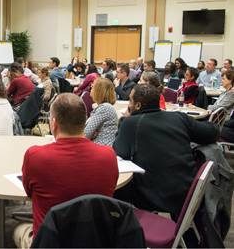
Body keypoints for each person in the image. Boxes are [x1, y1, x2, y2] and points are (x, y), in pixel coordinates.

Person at [13, 93, 119, 248]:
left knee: (18, 229)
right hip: (95, 241)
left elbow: (30, 194)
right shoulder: (108, 156)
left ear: (53, 124)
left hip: (52, 242)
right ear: (85, 121)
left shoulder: (35, 156)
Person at [113, 84, 219, 215]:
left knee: (113, 187)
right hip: (188, 194)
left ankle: (123, 229)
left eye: (130, 100)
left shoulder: (131, 123)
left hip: (156, 197)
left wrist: (123, 121)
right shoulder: (179, 118)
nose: (129, 104)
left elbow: (118, 154)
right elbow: (213, 132)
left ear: (138, 106)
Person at [85, 78, 118, 146]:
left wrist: (90, 134)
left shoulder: (104, 108)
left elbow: (86, 134)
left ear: (99, 90)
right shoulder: (105, 107)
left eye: (93, 86)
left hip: (100, 148)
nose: (91, 88)